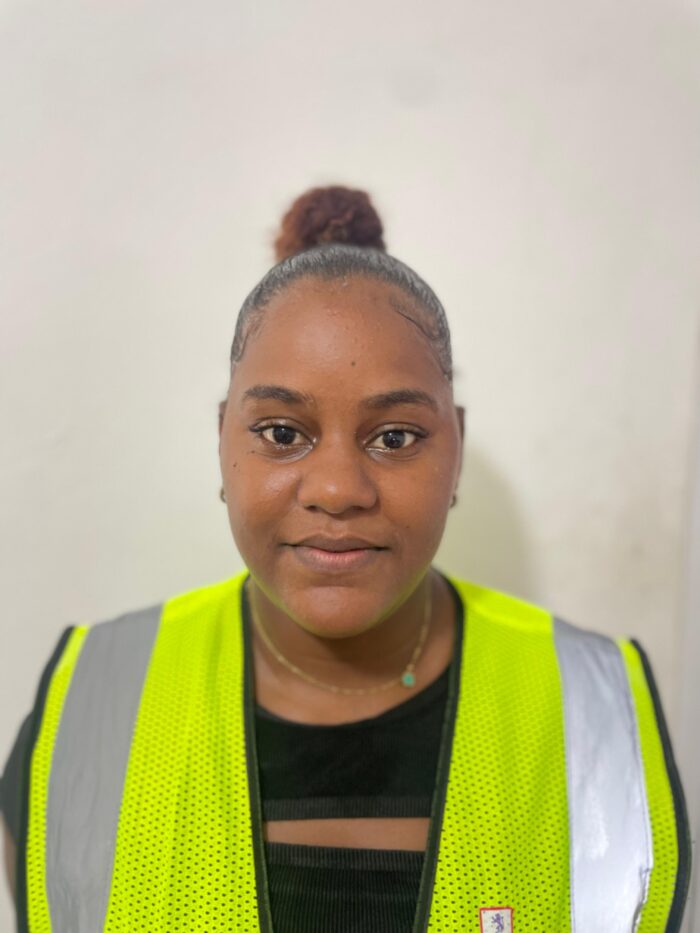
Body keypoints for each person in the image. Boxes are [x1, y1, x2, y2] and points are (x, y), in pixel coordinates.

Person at [1, 186, 691, 932]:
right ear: (222, 440)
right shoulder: (91, 708)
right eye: (281, 432)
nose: (336, 489)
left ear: (456, 450)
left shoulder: (595, 710)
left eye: (394, 437)